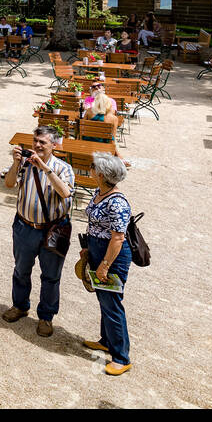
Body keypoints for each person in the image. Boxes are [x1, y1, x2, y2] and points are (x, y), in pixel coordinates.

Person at [2, 126, 76, 337]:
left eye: (42, 142)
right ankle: (20, 306)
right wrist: (16, 164)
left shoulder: (63, 168)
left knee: (51, 277)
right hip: (25, 227)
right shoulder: (25, 163)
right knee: (21, 270)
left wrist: (45, 168)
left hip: (52, 231)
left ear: (54, 145)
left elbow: (65, 192)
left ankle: (46, 317)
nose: (37, 145)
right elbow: (8, 184)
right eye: (35, 141)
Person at [79, 153, 135, 375]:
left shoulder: (117, 202)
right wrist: (88, 247)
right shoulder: (100, 192)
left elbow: (118, 238)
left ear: (100, 175)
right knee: (104, 300)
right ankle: (106, 340)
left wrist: (104, 265)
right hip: (97, 250)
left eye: (92, 167)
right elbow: (95, 222)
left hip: (112, 256)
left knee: (112, 304)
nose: (90, 168)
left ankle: (121, 357)